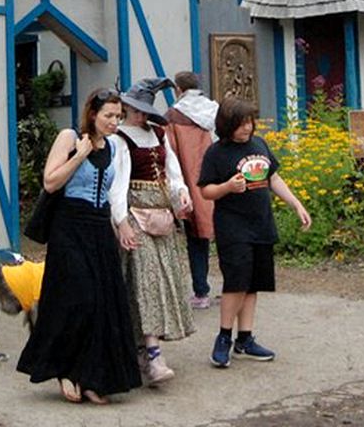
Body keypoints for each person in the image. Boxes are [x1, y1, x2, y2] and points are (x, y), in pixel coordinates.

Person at [17, 88, 142, 405]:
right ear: (93, 113)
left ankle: (92, 377)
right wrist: (81, 154)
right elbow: (50, 182)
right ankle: (66, 370)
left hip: (100, 228)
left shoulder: (114, 146)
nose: (114, 122)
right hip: (69, 227)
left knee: (104, 303)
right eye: (108, 116)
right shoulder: (69, 137)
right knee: (79, 297)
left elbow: (115, 192)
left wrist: (120, 223)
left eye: (118, 116)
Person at [198, 97, 310, 368]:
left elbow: (273, 177)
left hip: (261, 224)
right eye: (240, 124)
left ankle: (244, 339)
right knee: (236, 281)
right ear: (227, 125)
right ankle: (224, 336)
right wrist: (226, 187)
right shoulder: (216, 153)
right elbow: (205, 190)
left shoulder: (259, 144)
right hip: (233, 227)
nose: (247, 128)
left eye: (249, 122)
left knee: (253, 282)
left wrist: (296, 204)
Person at [111, 77, 196, 385]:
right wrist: (121, 221)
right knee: (145, 280)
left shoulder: (160, 134)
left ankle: (143, 350)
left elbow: (173, 174)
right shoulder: (119, 139)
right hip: (135, 215)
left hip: (161, 215)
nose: (139, 116)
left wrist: (181, 194)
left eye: (143, 111)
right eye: (135, 110)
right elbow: (117, 185)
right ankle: (153, 354)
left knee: (162, 279)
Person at [167, 70, 218, 309]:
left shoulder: (174, 115)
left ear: (179, 90)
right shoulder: (216, 110)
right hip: (220, 180)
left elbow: (171, 154)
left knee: (196, 237)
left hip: (191, 182)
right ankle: (234, 287)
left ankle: (201, 291)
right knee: (225, 234)